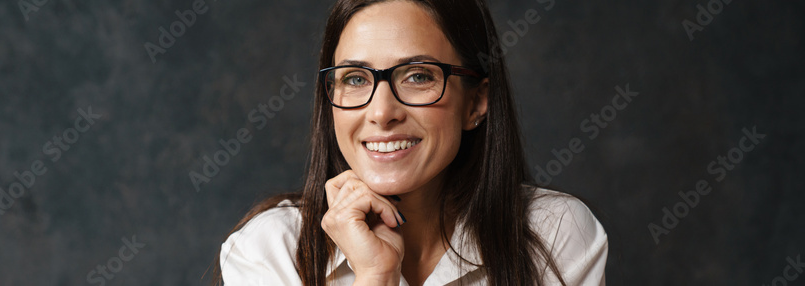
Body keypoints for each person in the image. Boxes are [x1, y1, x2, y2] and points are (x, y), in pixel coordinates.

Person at [217, 0, 608, 285]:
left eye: (418, 76)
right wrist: (376, 275)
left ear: (476, 102)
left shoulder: (555, 232)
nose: (381, 112)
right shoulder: (270, 249)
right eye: (355, 79)